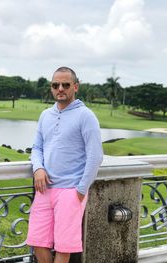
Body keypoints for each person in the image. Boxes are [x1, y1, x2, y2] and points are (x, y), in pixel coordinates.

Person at [26, 66, 103, 263]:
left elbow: (95, 156)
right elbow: (37, 148)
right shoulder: (46, 115)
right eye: (55, 84)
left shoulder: (86, 116)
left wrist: (80, 190)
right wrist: (39, 168)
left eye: (65, 84)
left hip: (70, 190)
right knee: (37, 241)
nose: (60, 88)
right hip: (44, 189)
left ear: (75, 87)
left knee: (64, 246)